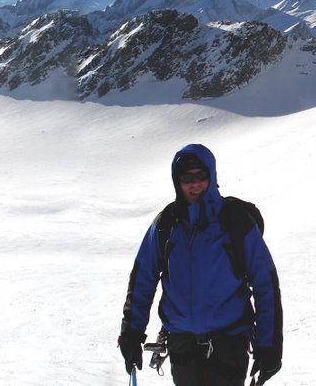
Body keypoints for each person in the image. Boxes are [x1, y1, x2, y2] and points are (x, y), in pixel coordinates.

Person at [118, 144, 283, 386]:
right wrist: (131, 334)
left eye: (201, 177)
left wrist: (269, 346)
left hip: (230, 342)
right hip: (182, 344)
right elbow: (143, 278)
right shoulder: (167, 225)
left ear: (212, 176)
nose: (195, 184)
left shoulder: (235, 222)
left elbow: (265, 284)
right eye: (187, 178)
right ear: (177, 181)